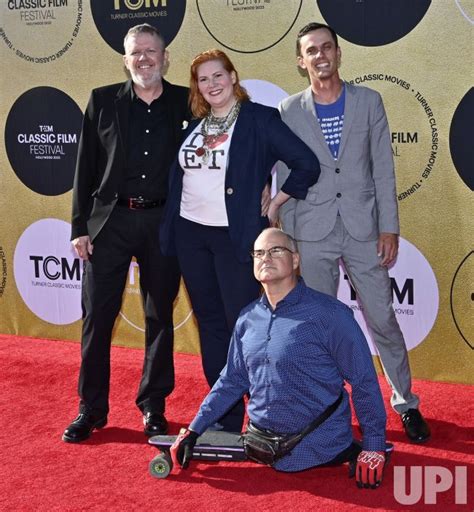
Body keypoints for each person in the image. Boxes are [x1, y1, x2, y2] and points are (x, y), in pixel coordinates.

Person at [276, 22, 430, 443]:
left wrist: (389, 227)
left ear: (339, 53)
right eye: (312, 50)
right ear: (300, 60)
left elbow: (383, 168)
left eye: (327, 47)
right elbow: (285, 174)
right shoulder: (288, 110)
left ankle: (405, 403)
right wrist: (286, 237)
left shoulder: (369, 102)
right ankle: (328, 408)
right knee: (320, 325)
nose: (321, 55)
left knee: (383, 319)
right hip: (311, 230)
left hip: (364, 230)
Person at [160, 49, 320, 433]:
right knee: (212, 324)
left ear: (233, 77)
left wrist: (277, 198)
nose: (211, 84)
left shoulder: (259, 120)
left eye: (218, 76)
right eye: (203, 79)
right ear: (196, 86)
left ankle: (269, 413)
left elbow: (306, 163)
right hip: (190, 235)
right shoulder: (193, 125)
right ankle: (227, 417)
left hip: (235, 239)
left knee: (244, 325)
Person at [171, 228, 389, 489]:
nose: (266, 257)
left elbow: (363, 380)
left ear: (295, 260)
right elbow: (231, 380)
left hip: (320, 449)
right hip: (259, 446)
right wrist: (194, 429)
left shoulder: (331, 315)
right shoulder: (247, 318)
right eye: (259, 253)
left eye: (276, 250)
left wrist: (374, 445)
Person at [62, 24, 190, 443]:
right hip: (110, 224)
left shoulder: (185, 101)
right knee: (97, 319)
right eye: (137, 52)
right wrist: (80, 227)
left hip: (165, 224)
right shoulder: (102, 101)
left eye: (152, 51)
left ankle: (154, 405)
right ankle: (91, 409)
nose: (144, 59)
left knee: (159, 318)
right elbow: (84, 169)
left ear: (165, 56)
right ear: (125, 58)